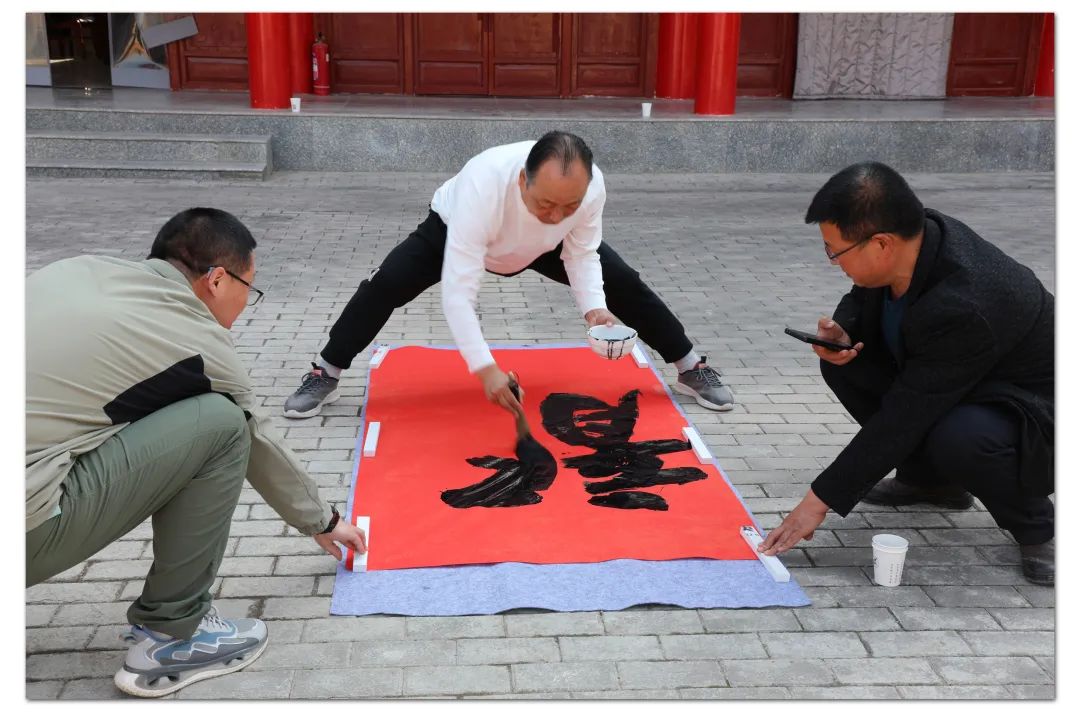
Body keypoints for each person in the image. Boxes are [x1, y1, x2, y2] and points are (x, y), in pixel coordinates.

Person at [26, 208, 368, 697]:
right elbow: (257, 440)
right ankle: (172, 634)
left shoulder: (78, 269)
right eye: (249, 289)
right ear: (217, 280)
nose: (246, 303)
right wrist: (324, 520)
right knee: (221, 423)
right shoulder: (198, 343)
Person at [283, 130, 735, 419]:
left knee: (627, 284)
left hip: (541, 249)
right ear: (522, 181)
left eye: (568, 207)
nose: (557, 213)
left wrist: (594, 308)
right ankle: (325, 371)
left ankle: (691, 365)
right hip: (459, 231)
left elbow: (581, 252)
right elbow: (460, 295)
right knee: (383, 286)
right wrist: (484, 368)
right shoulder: (482, 187)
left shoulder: (589, 187)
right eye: (546, 204)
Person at [760, 162, 1054, 586]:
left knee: (961, 436)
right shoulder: (914, 240)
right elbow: (862, 291)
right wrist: (846, 333)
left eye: (834, 251)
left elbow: (905, 414)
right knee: (847, 368)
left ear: (880, 244)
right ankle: (930, 483)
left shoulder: (964, 302)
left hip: (1038, 412)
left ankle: (1039, 529)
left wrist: (817, 502)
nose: (831, 261)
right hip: (965, 381)